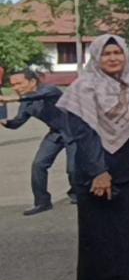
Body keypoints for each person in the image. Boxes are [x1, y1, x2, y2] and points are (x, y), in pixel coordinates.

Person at [59, 35, 129, 280]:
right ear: (96, 57)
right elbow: (84, 135)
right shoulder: (83, 88)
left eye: (118, 53)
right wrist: (98, 172)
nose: (113, 58)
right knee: (98, 229)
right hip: (99, 168)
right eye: (106, 54)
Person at [1, 70, 76, 215]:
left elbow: (40, 95)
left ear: (32, 82)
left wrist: (10, 99)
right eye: (13, 85)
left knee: (73, 169)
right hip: (55, 133)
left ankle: (78, 194)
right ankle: (42, 202)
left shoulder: (50, 90)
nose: (16, 87)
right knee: (38, 165)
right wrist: (5, 122)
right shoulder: (27, 102)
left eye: (19, 83)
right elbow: (18, 122)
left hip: (74, 131)